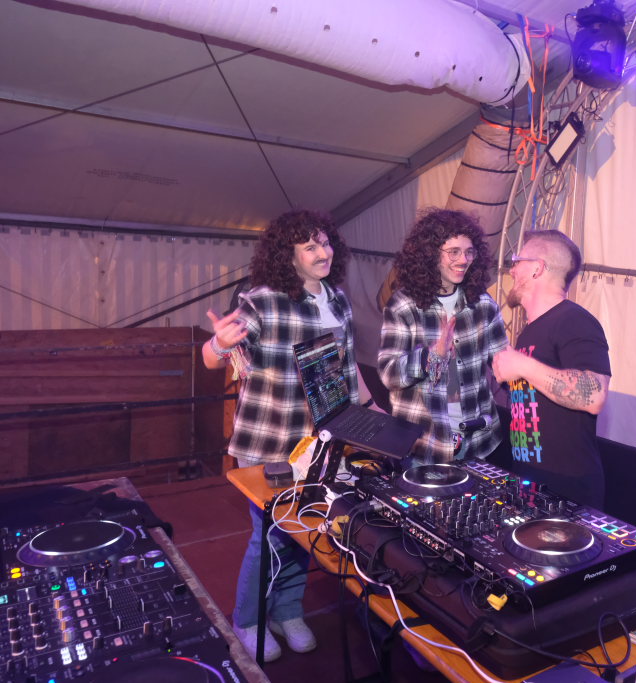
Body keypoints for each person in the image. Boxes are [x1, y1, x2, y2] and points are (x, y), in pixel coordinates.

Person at [202, 209, 359, 661]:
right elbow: (212, 357)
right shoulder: (262, 302)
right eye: (310, 247)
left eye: (325, 243)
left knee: (306, 532)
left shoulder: (338, 300)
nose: (323, 252)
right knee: (269, 537)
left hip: (320, 444)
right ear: (287, 256)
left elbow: (345, 371)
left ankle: (287, 611)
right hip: (268, 443)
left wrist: (365, 418)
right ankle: (248, 620)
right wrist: (218, 344)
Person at [491, 230, 611, 508]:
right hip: (532, 484)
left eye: (517, 261)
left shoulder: (573, 320)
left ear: (537, 268)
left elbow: (593, 396)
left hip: (566, 493)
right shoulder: (532, 330)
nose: (512, 270)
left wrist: (522, 365)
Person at [378, 208, 508, 463]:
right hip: (424, 444)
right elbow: (389, 374)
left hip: (479, 442)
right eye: (454, 252)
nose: (463, 260)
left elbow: (504, 364)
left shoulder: (483, 304)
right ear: (430, 254)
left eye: (469, 252)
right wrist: (431, 356)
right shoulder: (404, 306)